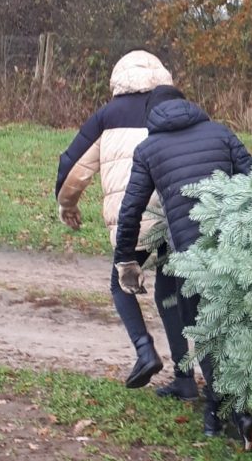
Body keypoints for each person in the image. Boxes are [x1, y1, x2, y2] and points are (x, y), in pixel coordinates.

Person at [114, 85, 252, 448]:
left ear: (152, 115)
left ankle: (232, 413)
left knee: (205, 329)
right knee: (237, 325)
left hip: (193, 255)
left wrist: (124, 259)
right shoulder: (221, 132)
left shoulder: (148, 149)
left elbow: (131, 209)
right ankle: (222, 410)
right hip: (236, 244)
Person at [54, 50, 190, 395]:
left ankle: (145, 350)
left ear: (119, 78)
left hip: (132, 222)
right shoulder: (173, 108)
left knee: (121, 284)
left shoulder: (107, 115)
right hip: (175, 217)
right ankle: (186, 380)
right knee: (169, 292)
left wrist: (66, 204)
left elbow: (73, 166)